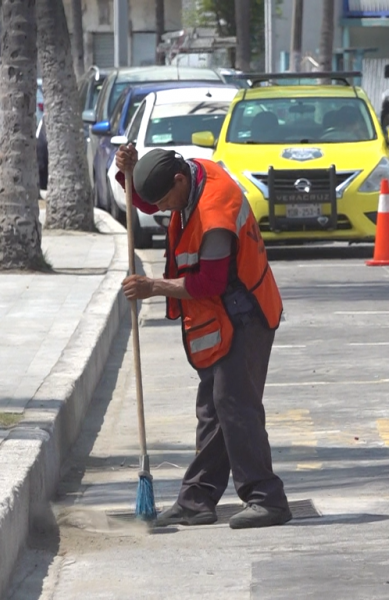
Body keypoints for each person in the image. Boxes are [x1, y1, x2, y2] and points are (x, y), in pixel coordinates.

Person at [115, 144, 293, 530]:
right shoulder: (191, 177)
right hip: (221, 315)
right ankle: (196, 500)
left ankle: (267, 498)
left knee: (235, 405)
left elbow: (209, 281)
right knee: (214, 407)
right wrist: (125, 173)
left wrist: (153, 286)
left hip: (246, 315)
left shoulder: (214, 210)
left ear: (179, 180)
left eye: (165, 200)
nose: (161, 210)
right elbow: (148, 202)